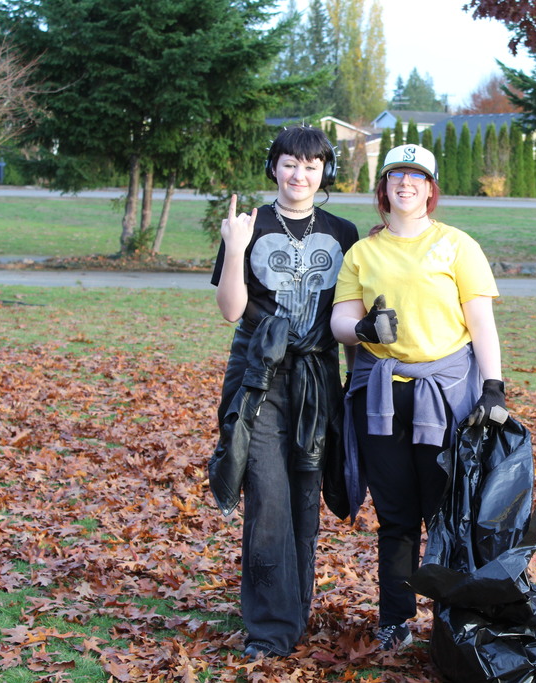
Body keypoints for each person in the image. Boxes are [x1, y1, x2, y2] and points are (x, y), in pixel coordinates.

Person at [331, 143, 507, 651]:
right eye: (395, 176)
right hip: (381, 399)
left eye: (416, 176)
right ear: (382, 189)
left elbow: (481, 324)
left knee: (448, 515)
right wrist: (361, 327)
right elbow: (340, 321)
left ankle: (453, 623)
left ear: (430, 190)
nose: (405, 184)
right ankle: (395, 622)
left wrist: (493, 387)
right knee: (397, 517)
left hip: (447, 396)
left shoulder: (457, 245)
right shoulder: (363, 252)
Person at [208, 126, 358, 661]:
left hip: (318, 379)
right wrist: (234, 248)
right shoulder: (250, 225)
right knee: (267, 497)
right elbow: (230, 309)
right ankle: (270, 630)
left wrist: (356, 385)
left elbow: (349, 313)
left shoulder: (344, 231)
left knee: (303, 499)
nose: (300, 175)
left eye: (311, 165)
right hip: (260, 376)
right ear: (274, 166)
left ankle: (295, 612)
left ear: (325, 172)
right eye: (290, 163)